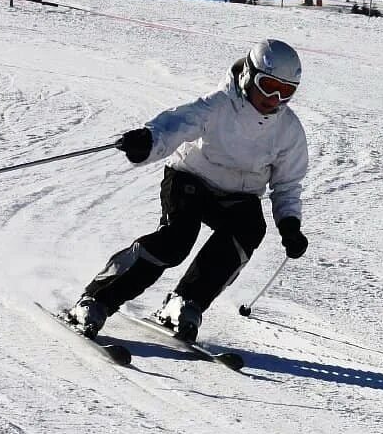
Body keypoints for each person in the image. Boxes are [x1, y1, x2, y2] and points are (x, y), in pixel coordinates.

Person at [68, 39, 309, 342]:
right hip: (190, 180)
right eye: (268, 85)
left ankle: (184, 302)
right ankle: (95, 300)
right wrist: (149, 141)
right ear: (248, 75)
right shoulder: (219, 105)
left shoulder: (288, 130)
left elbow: (287, 184)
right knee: (176, 240)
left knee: (248, 229)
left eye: (285, 91)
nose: (274, 98)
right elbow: (178, 124)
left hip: (237, 196)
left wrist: (289, 225)